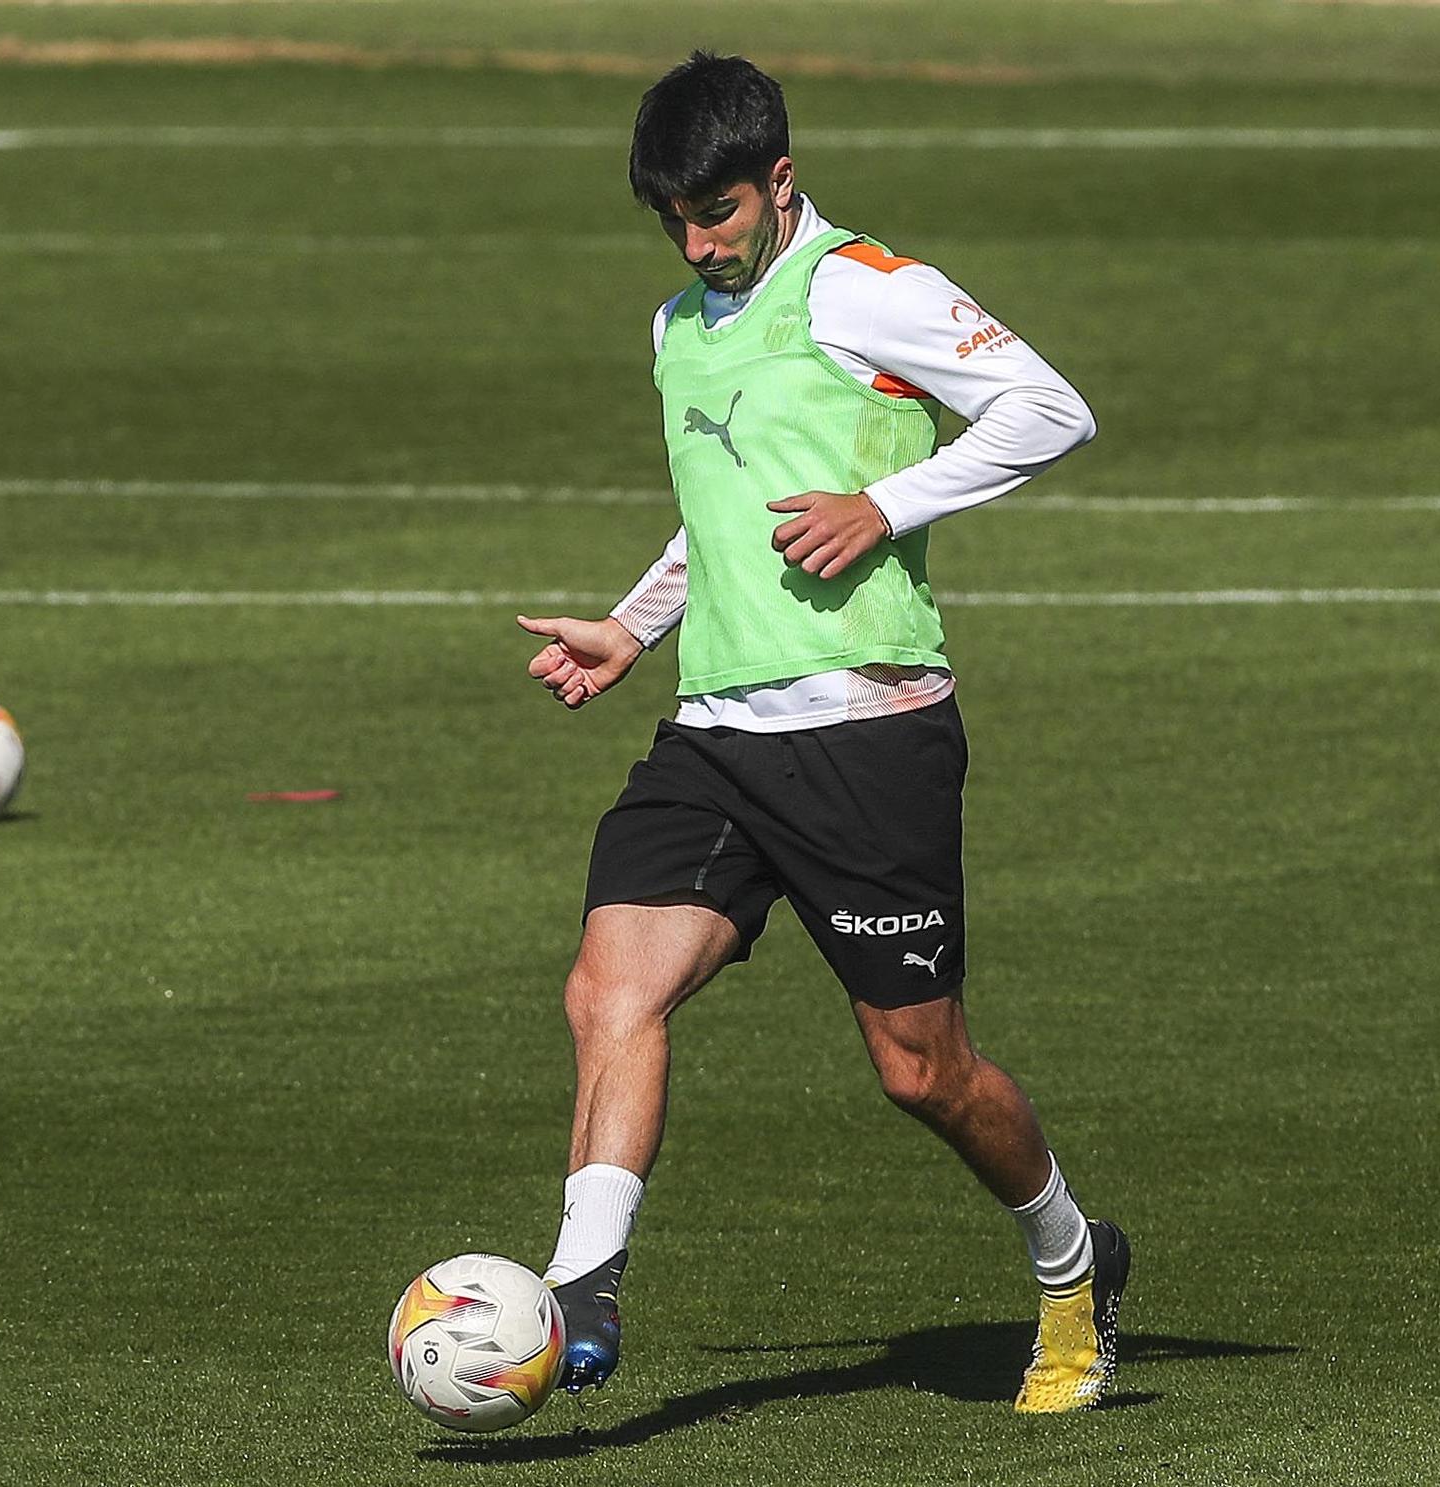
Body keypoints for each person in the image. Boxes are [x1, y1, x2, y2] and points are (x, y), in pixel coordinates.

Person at [516, 50, 1124, 1414]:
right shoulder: (681, 327)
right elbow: (726, 507)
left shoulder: (863, 289)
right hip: (719, 736)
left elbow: (1050, 408)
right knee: (610, 990)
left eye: (719, 211)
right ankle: (580, 1286)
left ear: (779, 181)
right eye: (673, 219)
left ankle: (1072, 1261)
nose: (697, 241)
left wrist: (888, 505)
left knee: (922, 1071)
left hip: (866, 737)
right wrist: (636, 624)